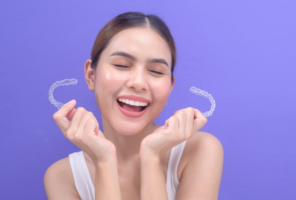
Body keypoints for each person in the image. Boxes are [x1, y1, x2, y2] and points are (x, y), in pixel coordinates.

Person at [44, 12, 224, 200]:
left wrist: (151, 156)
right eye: (122, 65)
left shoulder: (200, 149)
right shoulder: (62, 177)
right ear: (91, 76)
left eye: (155, 71)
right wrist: (104, 161)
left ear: (170, 87)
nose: (138, 83)